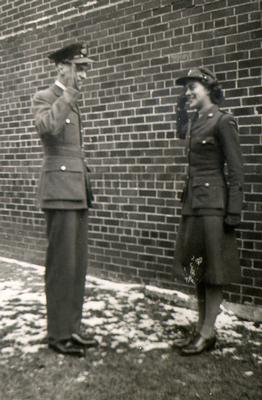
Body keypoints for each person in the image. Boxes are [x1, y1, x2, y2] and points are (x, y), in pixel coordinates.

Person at [173, 68, 244, 356]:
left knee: (213, 271)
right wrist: (182, 109)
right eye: (186, 89)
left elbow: (236, 170)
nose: (187, 93)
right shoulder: (193, 122)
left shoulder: (223, 121)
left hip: (214, 205)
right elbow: (180, 132)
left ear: (207, 88)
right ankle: (202, 328)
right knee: (197, 268)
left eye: (192, 87)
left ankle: (208, 332)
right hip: (193, 204)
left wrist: (234, 211)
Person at [32, 43, 97, 357]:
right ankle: (58, 335)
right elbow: (48, 128)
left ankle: (72, 328)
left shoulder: (73, 100)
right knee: (61, 266)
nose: (84, 74)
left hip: (77, 192)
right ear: (62, 68)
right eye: (79, 67)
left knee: (77, 266)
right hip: (59, 192)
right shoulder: (46, 98)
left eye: (85, 68)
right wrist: (67, 94)